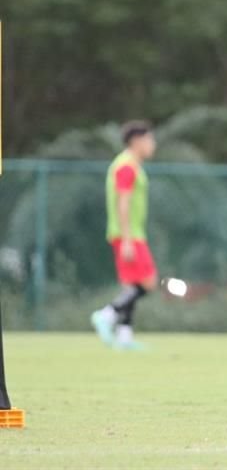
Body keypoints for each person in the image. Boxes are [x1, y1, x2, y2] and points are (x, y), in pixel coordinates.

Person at [90, 121, 158, 350]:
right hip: (129, 235)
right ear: (136, 141)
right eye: (149, 140)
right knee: (148, 282)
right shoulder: (126, 166)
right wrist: (128, 239)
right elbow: (123, 202)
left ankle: (124, 335)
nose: (152, 145)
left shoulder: (130, 165)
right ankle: (107, 314)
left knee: (132, 285)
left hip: (129, 233)